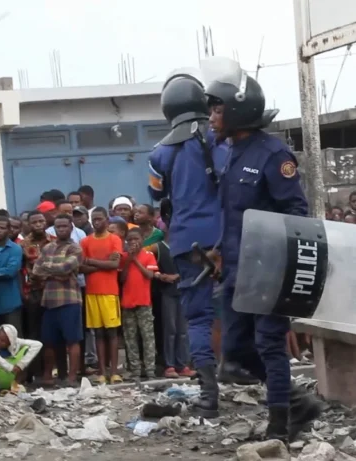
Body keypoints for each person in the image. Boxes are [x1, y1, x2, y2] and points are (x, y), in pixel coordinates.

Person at [207, 59, 321, 441]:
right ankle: (296, 402)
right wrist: (221, 251)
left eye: (217, 108)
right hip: (238, 269)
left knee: (270, 344)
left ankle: (279, 427)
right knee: (236, 349)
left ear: (238, 110)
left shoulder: (273, 155)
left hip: (270, 268)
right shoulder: (231, 153)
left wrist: (281, 264)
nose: (212, 116)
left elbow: (296, 211)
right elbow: (234, 213)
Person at [147, 70, 226, 417]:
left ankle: (209, 398)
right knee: (243, 311)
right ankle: (272, 388)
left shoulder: (159, 153)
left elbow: (154, 192)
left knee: (197, 319)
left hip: (184, 244)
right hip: (226, 239)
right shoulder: (219, 140)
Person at [33, 214, 84, 386]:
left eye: (64, 226)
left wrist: (50, 269)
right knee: (49, 341)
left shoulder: (75, 249)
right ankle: (48, 376)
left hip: (69, 299)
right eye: (58, 227)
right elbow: (36, 271)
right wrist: (57, 272)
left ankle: (71, 377)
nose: (61, 229)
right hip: (49, 300)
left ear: (71, 228)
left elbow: (65, 267)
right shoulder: (48, 248)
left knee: (72, 340)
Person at [79, 207, 123, 384]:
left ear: (107, 220)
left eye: (100, 219)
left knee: (112, 332)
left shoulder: (115, 239)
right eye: (94, 219)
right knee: (98, 333)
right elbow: (81, 267)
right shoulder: (85, 241)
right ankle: (102, 372)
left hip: (110, 292)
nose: (96, 222)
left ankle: (114, 371)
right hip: (92, 292)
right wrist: (103, 264)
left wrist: (92, 262)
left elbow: (115, 264)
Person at [19, 211, 53, 381]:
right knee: (33, 333)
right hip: (32, 293)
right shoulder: (23, 244)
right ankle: (34, 372)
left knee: (50, 333)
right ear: (29, 224)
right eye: (34, 222)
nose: (38, 224)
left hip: (51, 291)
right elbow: (20, 270)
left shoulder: (53, 241)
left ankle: (50, 371)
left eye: (41, 221)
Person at [120, 229, 158, 379]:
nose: (133, 242)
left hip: (144, 302)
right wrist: (129, 260)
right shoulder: (124, 257)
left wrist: (135, 259)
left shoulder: (148, 255)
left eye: (136, 239)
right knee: (130, 338)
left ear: (142, 239)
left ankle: (150, 369)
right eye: (129, 240)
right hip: (127, 303)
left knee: (147, 337)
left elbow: (150, 275)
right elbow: (122, 278)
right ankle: (135, 369)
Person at [155, 228, 192, 378]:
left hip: (183, 292)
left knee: (183, 331)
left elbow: (191, 268)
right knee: (170, 330)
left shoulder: (185, 247)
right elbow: (150, 266)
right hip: (167, 293)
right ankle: (169, 365)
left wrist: (176, 275)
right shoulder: (159, 247)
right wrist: (162, 276)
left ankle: (182, 364)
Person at [0, 324, 42, 393]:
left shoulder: (17, 342)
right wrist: (9, 367)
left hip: (14, 374)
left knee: (26, 351)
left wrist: (21, 364)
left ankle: (16, 385)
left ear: (10, 342)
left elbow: (38, 344)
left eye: (3, 341)